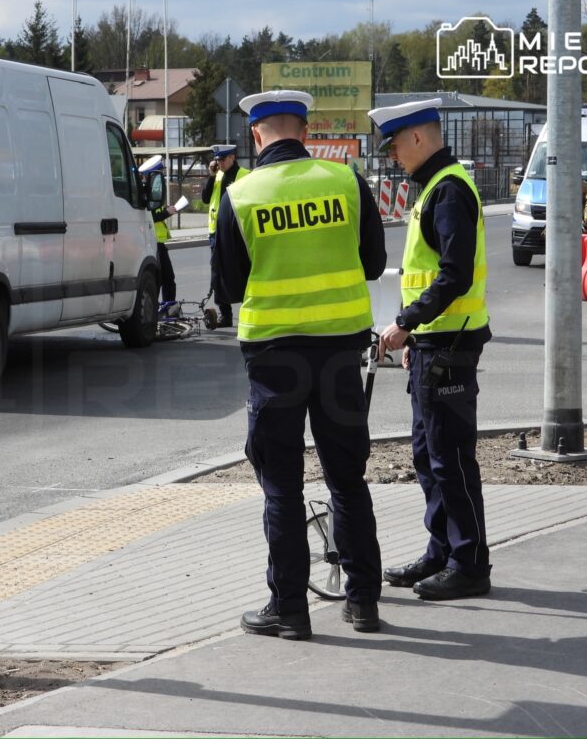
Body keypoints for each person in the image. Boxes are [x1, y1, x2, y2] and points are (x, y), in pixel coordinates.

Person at [215, 90, 386, 639]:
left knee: (281, 487)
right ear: (305, 132)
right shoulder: (346, 181)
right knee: (347, 480)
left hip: (274, 358)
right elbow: (375, 262)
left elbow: (230, 286)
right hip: (340, 353)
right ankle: (363, 602)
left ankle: (290, 610)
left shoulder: (241, 195)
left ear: (256, 135)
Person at [370, 97, 493, 601]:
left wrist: (406, 323)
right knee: (429, 455)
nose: (393, 156)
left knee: (451, 458)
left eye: (395, 146)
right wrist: (415, 336)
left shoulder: (447, 191)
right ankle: (441, 552)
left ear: (418, 138)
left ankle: (469, 564)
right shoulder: (437, 188)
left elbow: (453, 275)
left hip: (450, 344)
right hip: (434, 343)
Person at [202, 144, 249, 327]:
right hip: (216, 232)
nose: (219, 163)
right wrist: (211, 176)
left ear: (232, 157)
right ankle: (225, 315)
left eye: (222, 159)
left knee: (243, 270)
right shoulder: (218, 175)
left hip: (239, 232)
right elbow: (205, 198)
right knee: (218, 273)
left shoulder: (244, 175)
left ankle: (248, 309)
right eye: (217, 160)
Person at [138, 155, 178, 310]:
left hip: (157, 241)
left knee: (166, 278)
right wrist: (166, 213)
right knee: (163, 278)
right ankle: (161, 309)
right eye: (160, 173)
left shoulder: (150, 191)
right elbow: (150, 216)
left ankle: (166, 307)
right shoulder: (147, 192)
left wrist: (165, 210)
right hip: (153, 241)